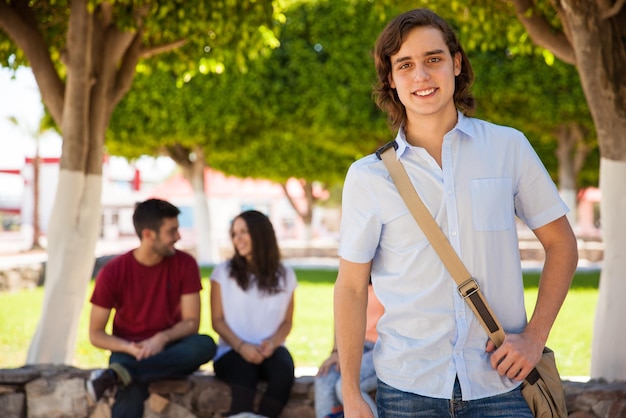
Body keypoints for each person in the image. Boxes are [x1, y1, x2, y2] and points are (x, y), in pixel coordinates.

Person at [333, 8, 578, 418]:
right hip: (408, 389)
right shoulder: (367, 177)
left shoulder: (508, 148)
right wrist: (351, 391)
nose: (421, 76)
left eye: (433, 59)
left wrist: (535, 338)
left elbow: (562, 243)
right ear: (390, 79)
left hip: (501, 386)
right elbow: (352, 287)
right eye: (405, 65)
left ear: (456, 63)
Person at [86, 198, 216, 418]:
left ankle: (118, 375)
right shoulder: (112, 272)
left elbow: (192, 322)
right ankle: (124, 372)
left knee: (204, 345)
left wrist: (161, 339)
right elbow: (95, 333)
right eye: (171, 231)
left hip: (173, 348)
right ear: (148, 235)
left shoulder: (185, 264)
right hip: (128, 350)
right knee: (130, 394)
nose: (178, 237)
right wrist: (129, 348)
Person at [210, 210, 297, 418]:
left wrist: (273, 343)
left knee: (283, 372)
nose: (237, 238)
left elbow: (287, 322)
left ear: (260, 233)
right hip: (232, 350)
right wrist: (241, 346)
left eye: (243, 232)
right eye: (234, 233)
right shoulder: (223, 273)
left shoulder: (285, 275)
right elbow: (217, 321)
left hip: (270, 348)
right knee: (244, 373)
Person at [315, 282, 383, 418]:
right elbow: (342, 314)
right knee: (325, 376)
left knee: (346, 386)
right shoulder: (354, 269)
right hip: (356, 344)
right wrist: (336, 352)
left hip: (383, 347)